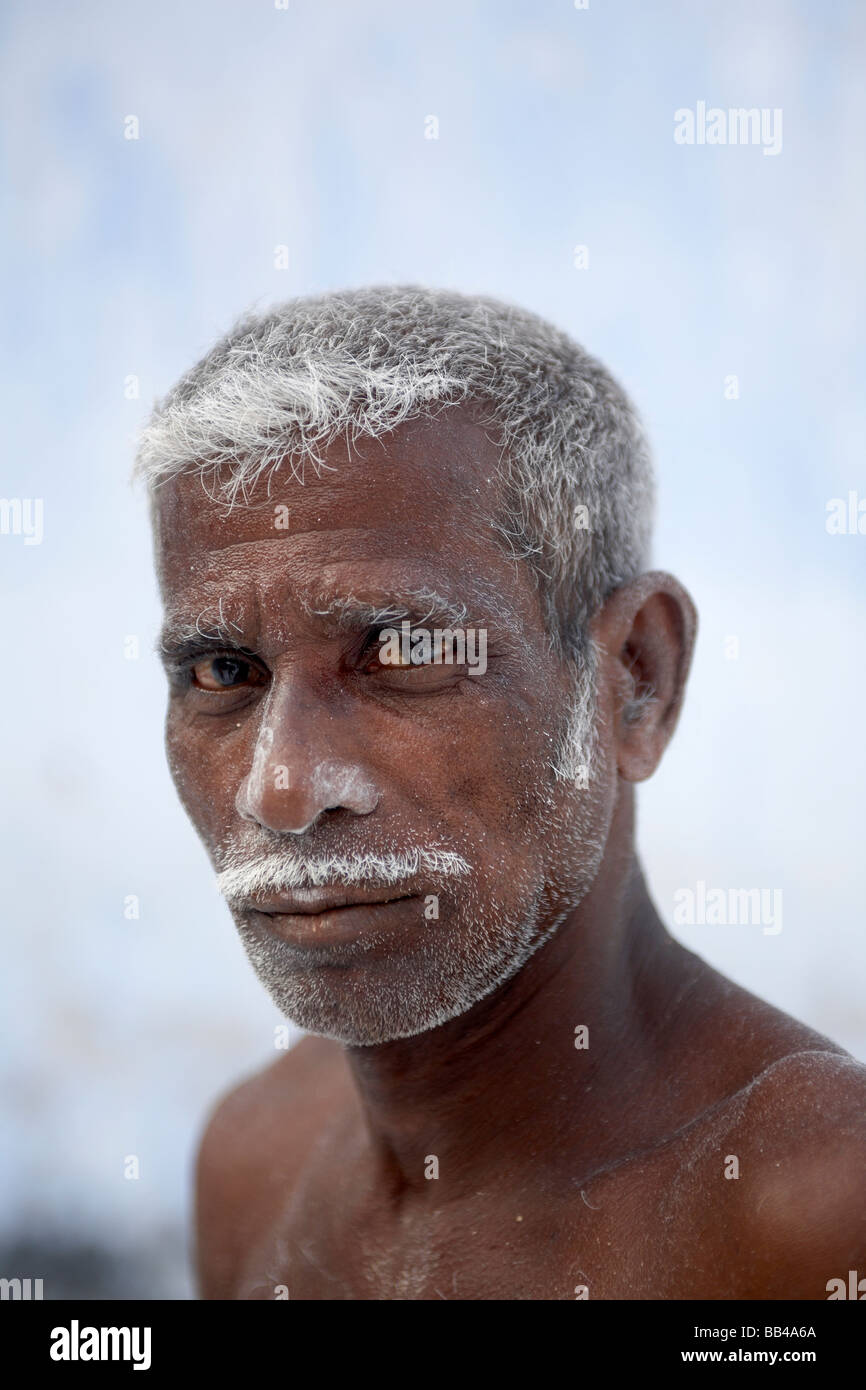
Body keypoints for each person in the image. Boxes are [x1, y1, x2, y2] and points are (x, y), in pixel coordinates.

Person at [135, 286, 866, 1300]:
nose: (284, 787)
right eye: (223, 671)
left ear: (633, 678)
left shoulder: (808, 1206)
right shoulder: (254, 1156)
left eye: (399, 651)